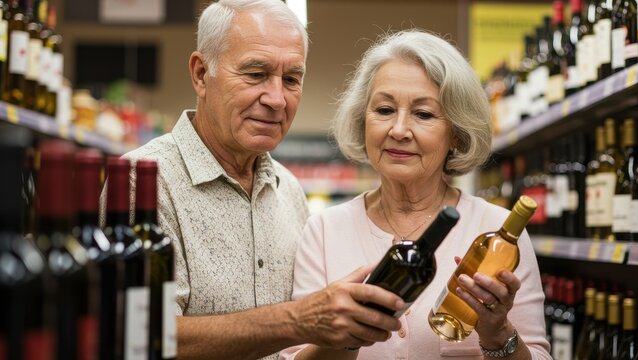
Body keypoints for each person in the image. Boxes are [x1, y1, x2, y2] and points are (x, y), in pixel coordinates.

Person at [119, 1, 406, 359]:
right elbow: (140, 335)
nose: (276, 99)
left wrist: (348, 331)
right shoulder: (142, 181)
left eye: (291, 80)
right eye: (255, 74)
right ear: (200, 74)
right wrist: (298, 320)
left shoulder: (288, 190)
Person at [280, 30, 552, 360]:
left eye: (423, 114)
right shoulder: (323, 232)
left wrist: (497, 334)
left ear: (456, 134)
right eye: (383, 110)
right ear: (362, 120)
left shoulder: (497, 233)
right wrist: (346, 334)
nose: (398, 130)